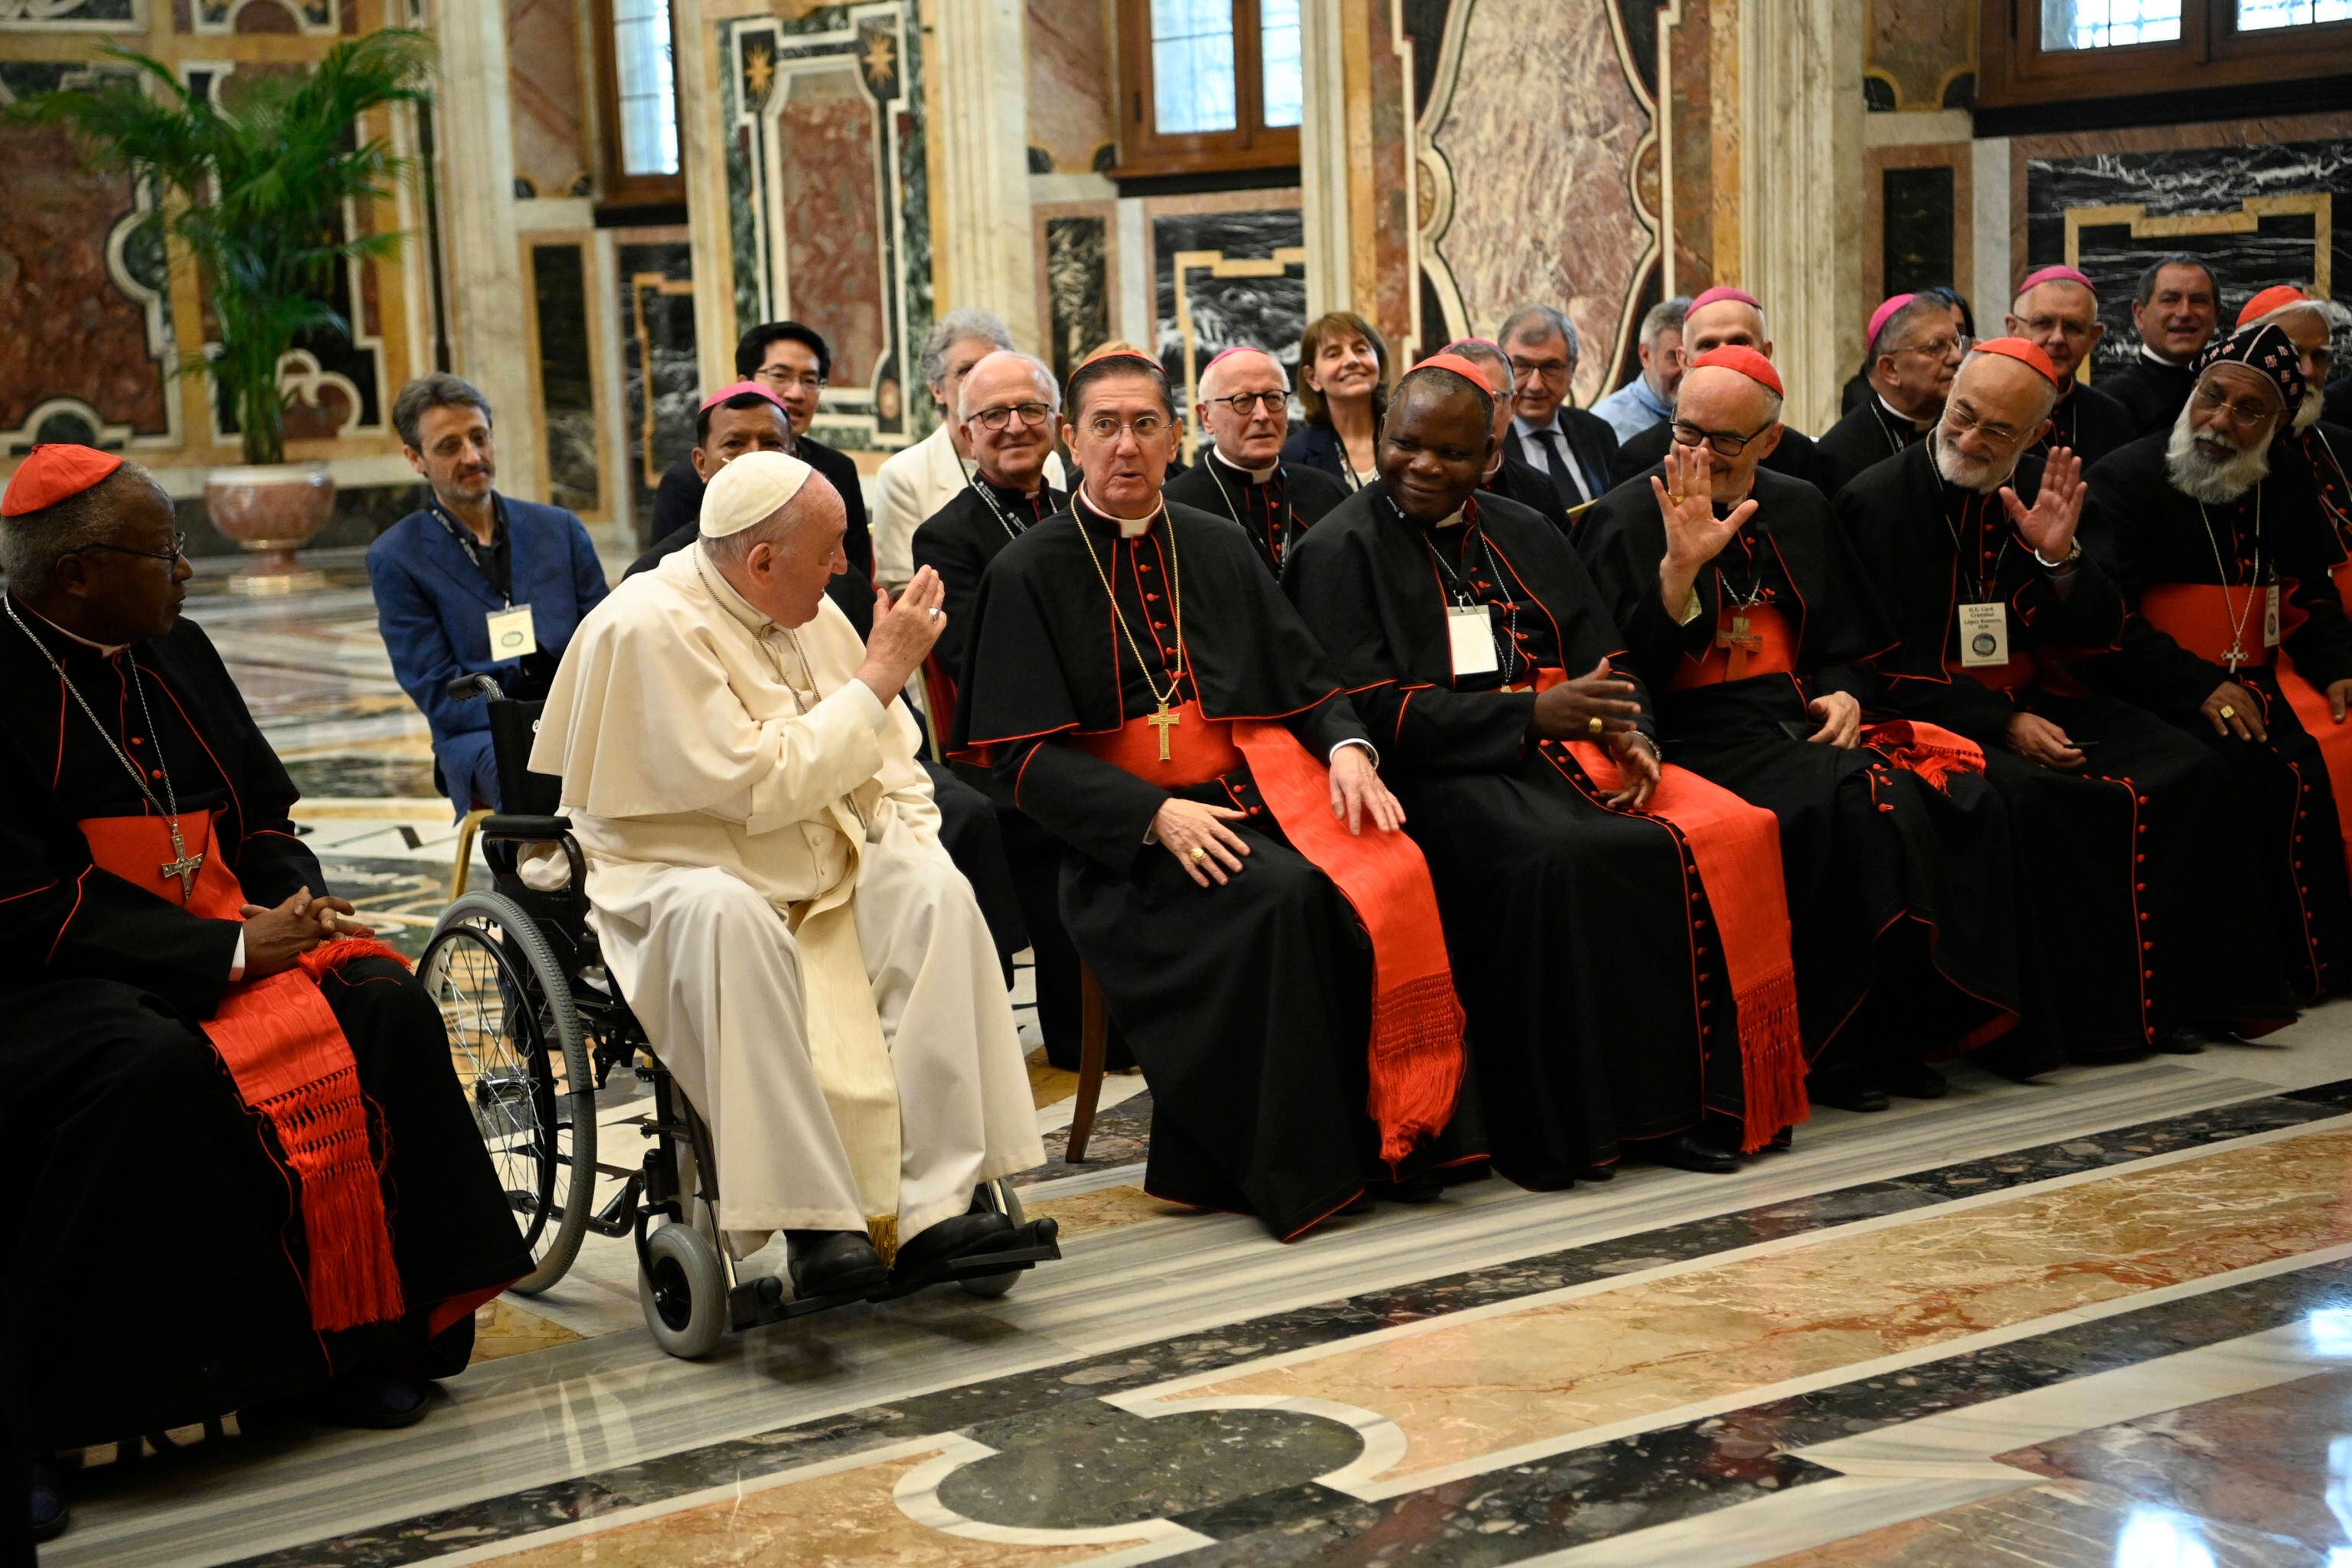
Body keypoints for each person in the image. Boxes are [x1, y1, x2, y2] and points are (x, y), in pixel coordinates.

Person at [0, 448, 530, 1508]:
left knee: (382, 1004)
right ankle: (64, 1415)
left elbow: (266, 813)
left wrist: (291, 902)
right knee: (148, 1073)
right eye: (166, 553)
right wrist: (229, 953)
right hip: (50, 982)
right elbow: (26, 906)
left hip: (220, 937)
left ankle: (360, 1349)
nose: (187, 573)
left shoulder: (177, 648)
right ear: (78, 577)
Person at [953, 348, 1479, 1239]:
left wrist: (1349, 748)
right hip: (1120, 847)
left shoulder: (1215, 542)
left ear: (1175, 437)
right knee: (1284, 900)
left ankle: (1398, 1136)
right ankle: (1286, 1167)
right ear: (1070, 441)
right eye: (1106, 427)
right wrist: (1151, 813)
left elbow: (1304, 680)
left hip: (1252, 793)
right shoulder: (1029, 570)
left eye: (1146, 425)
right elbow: (1021, 762)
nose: (1127, 446)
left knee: (1388, 876)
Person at [531, 450, 1046, 1294]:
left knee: (936, 891)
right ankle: (815, 1223)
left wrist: (907, 838)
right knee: (730, 919)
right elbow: (762, 787)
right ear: (762, 560)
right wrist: (883, 672)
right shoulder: (647, 625)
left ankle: (937, 1205)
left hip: (824, 854)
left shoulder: (810, 610)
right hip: (678, 870)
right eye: (831, 548)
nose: (844, 566)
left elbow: (891, 762)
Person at [1285, 355, 1808, 1180]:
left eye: (1453, 453)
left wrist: (1630, 726)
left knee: (1713, 838)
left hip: (1567, 752)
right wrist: (1531, 716)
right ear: (1383, 436)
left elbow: (1606, 651)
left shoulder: (1524, 527)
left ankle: (1687, 1110)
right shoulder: (1336, 550)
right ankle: (1580, 1128)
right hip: (1439, 776)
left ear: (1488, 459)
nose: (1424, 466)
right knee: (1567, 859)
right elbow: (1372, 710)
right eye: (1408, 444)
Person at [1578, 351, 2026, 1107]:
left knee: (1944, 802)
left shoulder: (1801, 506)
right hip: (1691, 735)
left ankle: (1898, 1031)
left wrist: (1847, 694)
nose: (1697, 454)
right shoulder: (1623, 516)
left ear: (1769, 443)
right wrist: (1678, 576)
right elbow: (1618, 673)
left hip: (1792, 722)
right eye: (1686, 431)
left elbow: (1849, 646)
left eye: (1723, 441)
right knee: (1863, 806)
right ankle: (1840, 1047)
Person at [1836, 340, 2295, 1060]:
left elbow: (2099, 631)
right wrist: (2003, 722)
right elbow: (1878, 661)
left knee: (2190, 767)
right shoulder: (1876, 500)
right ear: (1948, 395)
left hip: (2044, 695)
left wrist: (2060, 560)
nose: (1968, 439)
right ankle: (2070, 1025)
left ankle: (2175, 1002)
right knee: (2035, 800)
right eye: (1963, 415)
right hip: (1938, 715)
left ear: (2035, 437)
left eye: (1997, 431)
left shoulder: (2048, 490)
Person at [631, 383, 1029, 982]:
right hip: (747, 806)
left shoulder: (822, 553)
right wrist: (884, 672)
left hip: (842, 765)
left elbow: (873, 696)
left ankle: (977, 983)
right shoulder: (657, 596)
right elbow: (729, 773)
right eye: (734, 444)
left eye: (772, 441)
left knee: (956, 826)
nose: (754, 455)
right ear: (701, 462)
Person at [2076, 321, 2352, 1002]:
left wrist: (2340, 666)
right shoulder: (2127, 475)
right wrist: (2198, 684)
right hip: (2158, 685)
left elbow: (2307, 594)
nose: (2220, 420)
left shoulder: (2283, 477)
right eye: (2212, 396)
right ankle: (2245, 978)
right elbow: (2111, 618)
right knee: (2240, 765)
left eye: (2248, 410)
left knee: (2320, 754)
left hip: (2257, 676)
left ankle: (2320, 965)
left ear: (2277, 425)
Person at [910, 349, 1112, 1072]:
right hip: (1013, 753)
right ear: (966, 434)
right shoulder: (946, 536)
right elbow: (976, 659)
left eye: (1030, 410)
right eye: (993, 414)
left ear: (1059, 426)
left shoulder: (1082, 511)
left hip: (1103, 730)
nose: (1014, 426)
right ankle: (1085, 1030)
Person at [369, 374, 609, 815]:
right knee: (526, 770)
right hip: (480, 734)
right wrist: (535, 725)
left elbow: (607, 637)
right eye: (449, 446)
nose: (472, 456)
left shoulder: (559, 529)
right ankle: (537, 883)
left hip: (581, 715)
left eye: (479, 438)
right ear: (415, 458)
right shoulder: (397, 557)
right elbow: (439, 690)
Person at [645, 321, 875, 632]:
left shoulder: (836, 470)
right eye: (780, 376)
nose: (796, 392)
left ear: (792, 454)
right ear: (702, 464)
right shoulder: (683, 484)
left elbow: (849, 576)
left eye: (809, 380)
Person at [875, 309, 1066, 594]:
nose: (1015, 427)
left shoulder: (1046, 462)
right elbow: (908, 591)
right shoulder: (905, 474)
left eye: (992, 365)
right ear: (937, 389)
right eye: (966, 370)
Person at [1609, 288, 1833, 493]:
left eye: (1738, 341)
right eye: (1708, 345)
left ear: (1765, 352)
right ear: (1684, 359)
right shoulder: (1637, 458)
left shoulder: (1797, 454)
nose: (1724, 357)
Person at [1164, 345, 1349, 576]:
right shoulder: (1174, 508)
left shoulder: (1331, 493)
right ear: (1206, 417)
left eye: (1273, 398)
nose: (1262, 415)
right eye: (1243, 401)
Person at [2235, 286, 2351, 596]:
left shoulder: (2343, 445)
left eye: (2319, 356)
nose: (2309, 371)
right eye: (2292, 354)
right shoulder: (2220, 452)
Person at [1813, 292, 1967, 496]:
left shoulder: (1969, 431)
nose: (1957, 357)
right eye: (1936, 347)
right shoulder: (1837, 455)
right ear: (1890, 370)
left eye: (1957, 343)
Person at [2004, 266, 2136, 467]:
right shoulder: (1985, 409)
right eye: (2043, 323)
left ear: (2093, 338)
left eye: (2073, 327)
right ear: (2013, 328)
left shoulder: (2114, 418)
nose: (2058, 339)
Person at [1445, 338, 1576, 535]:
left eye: (1491, 398)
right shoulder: (1418, 485)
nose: (1474, 413)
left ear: (1512, 406)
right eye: (1458, 397)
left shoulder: (1539, 489)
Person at [1498, 304, 1620, 510]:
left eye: (1550, 367)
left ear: (1572, 369)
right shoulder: (1489, 444)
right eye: (1521, 366)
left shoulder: (1597, 433)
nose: (1535, 385)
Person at [2102, 255, 2221, 439]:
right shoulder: (2109, 401)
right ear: (2140, 314)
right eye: (2170, 300)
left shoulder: (2230, 392)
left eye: (2198, 300)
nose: (2184, 313)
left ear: (2216, 314)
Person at [1284, 310, 1390, 491]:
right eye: (1334, 354)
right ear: (1312, 378)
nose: (1352, 360)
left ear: (1378, 361)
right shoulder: (1295, 456)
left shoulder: (1410, 438)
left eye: (1361, 349)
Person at [1592, 296, 1690, 441]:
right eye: (1675, 358)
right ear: (1646, 356)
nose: (1687, 371)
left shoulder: (1718, 412)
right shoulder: (1603, 427)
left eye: (1694, 358)